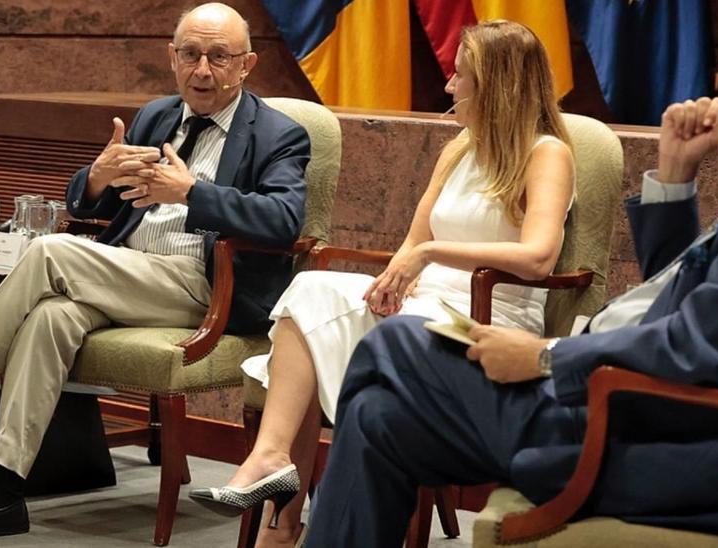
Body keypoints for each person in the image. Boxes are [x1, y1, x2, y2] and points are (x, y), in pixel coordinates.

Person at [302, 8, 718, 547]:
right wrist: (676, 175)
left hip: (649, 437)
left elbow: (703, 347)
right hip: (645, 410)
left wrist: (546, 356)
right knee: (379, 420)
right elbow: (685, 302)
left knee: (396, 342)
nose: (714, 92)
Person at [0, 3, 310, 544]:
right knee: (50, 316)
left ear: (246, 64)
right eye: (190, 55)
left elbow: (284, 221)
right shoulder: (157, 116)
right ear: (172, 57)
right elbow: (98, 204)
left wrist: (193, 193)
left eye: (218, 57)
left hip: (205, 285)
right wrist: (95, 177)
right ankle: (0, 495)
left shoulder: (279, 134)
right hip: (129, 272)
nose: (202, 70)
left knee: (51, 252)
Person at [187, 20, 575, 545]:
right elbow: (411, 246)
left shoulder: (546, 152)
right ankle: (272, 461)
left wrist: (433, 253)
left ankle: (285, 523)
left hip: (487, 317)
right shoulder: (460, 148)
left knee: (340, 336)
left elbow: (538, 257)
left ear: (496, 85)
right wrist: (394, 280)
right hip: (424, 301)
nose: (449, 86)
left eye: (460, 77)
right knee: (310, 292)